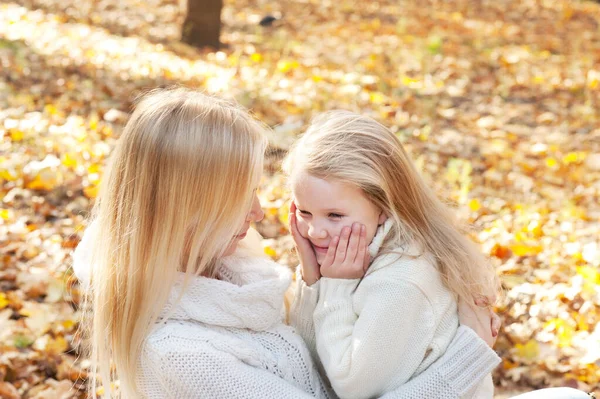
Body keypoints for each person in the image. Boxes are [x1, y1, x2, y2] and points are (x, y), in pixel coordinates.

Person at [72, 87, 587, 398]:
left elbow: (318, 365)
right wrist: (468, 354)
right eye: (240, 197)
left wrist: (317, 284)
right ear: (188, 209)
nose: (258, 213)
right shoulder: (184, 354)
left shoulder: (224, 270)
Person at [284, 111, 592, 399]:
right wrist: (313, 279)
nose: (315, 231)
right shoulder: (350, 260)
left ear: (383, 207)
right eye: (305, 212)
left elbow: (349, 387)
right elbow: (309, 369)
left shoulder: (401, 281)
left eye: (334, 215)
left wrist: (334, 288)